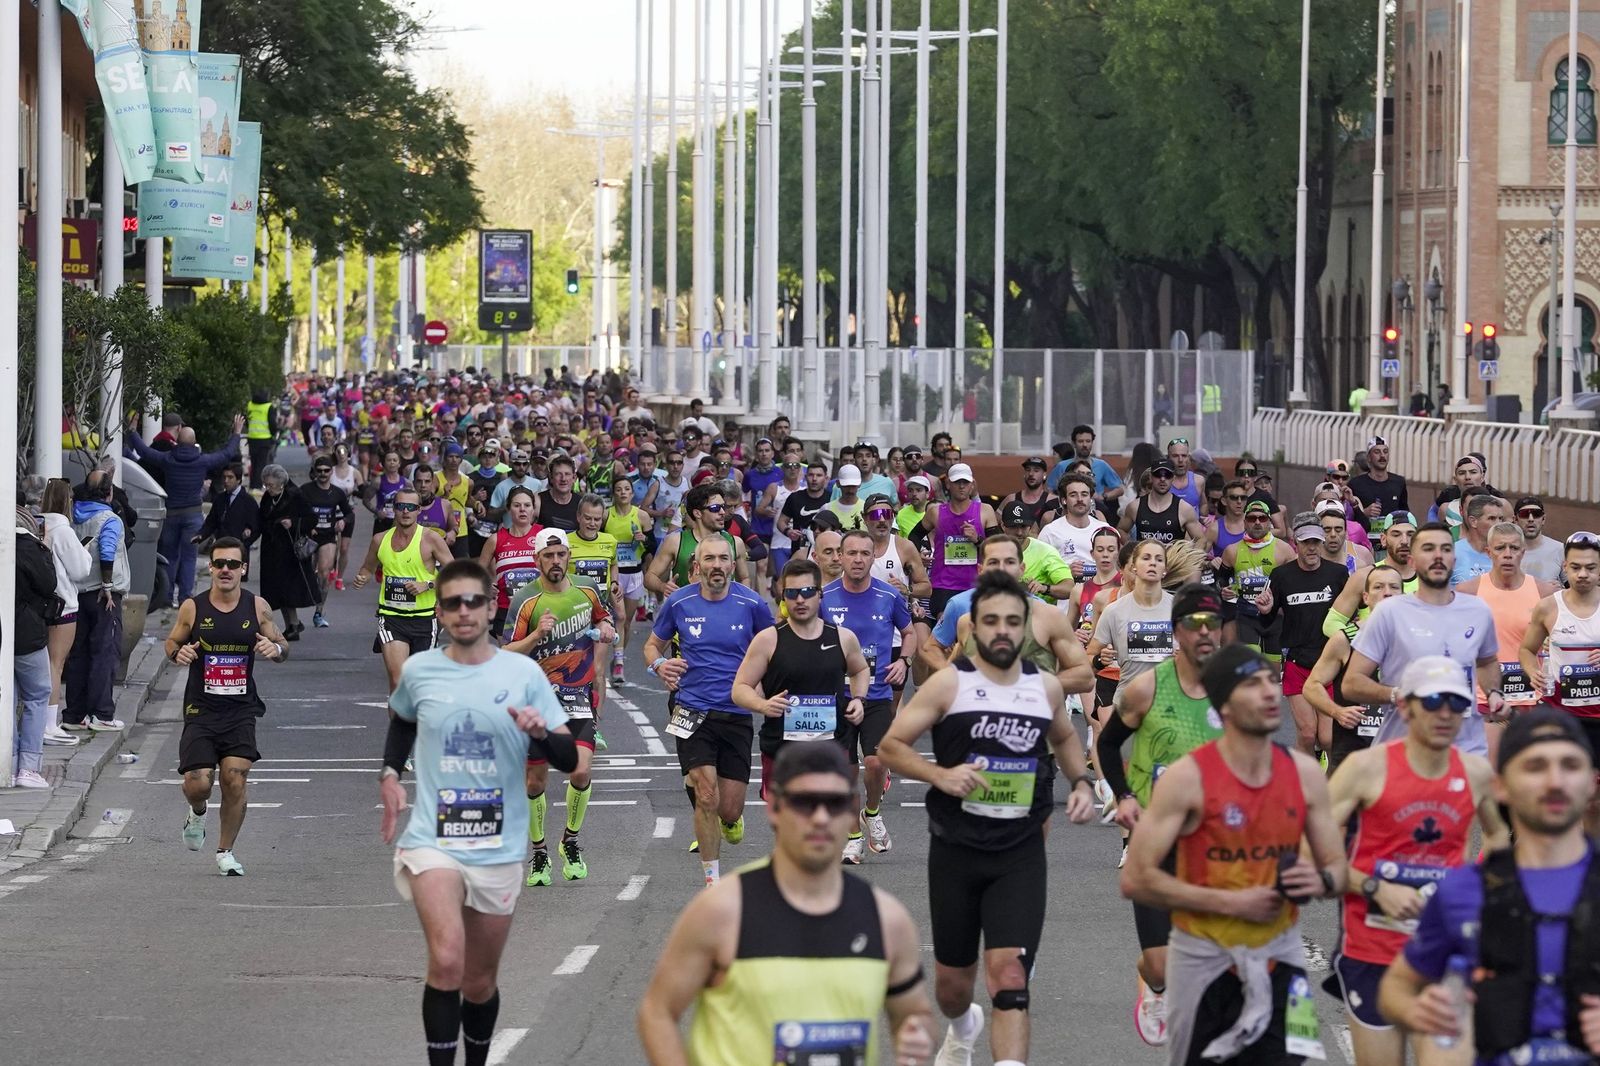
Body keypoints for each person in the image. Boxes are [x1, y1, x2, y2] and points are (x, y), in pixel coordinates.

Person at [878, 571, 1097, 1066]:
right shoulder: (950, 685)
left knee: (1010, 976)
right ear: (972, 628)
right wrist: (941, 776)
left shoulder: (1043, 687)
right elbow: (890, 746)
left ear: (1025, 630)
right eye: (991, 621)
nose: (1002, 630)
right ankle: (961, 1024)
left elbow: (1064, 738)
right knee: (953, 987)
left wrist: (1081, 781)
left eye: (1012, 622)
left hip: (1019, 852)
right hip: (956, 850)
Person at [379, 558, 578, 1066]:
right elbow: (401, 721)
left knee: (479, 980)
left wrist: (539, 733)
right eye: (452, 603)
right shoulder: (421, 669)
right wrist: (389, 776)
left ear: (492, 608)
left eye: (474, 601)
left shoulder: (523, 673)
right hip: (433, 839)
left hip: (499, 844)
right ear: (440, 613)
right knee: (446, 960)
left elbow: (568, 758)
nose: (464, 612)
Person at [636, 742, 934, 1066]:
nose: (820, 818)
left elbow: (913, 1016)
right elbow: (657, 1012)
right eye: (805, 803)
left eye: (833, 803)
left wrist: (915, 1038)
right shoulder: (722, 912)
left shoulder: (886, 920)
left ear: (850, 812)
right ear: (774, 807)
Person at [1120, 643, 1346, 1066]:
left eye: (1269, 682)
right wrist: (1228, 901)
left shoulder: (1304, 774)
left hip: (1281, 959)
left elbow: (1335, 868)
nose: (1268, 693)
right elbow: (1135, 877)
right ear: (1223, 704)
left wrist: (1319, 880)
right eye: (1251, 684)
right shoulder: (1187, 779)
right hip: (1202, 962)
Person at [1377, 708, 1600, 1064]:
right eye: (1535, 766)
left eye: (1570, 765)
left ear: (1592, 782)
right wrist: (1417, 1011)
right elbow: (1396, 987)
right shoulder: (1460, 890)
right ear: (1500, 787)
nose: (1555, 781)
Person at [1324, 656, 1507, 1066]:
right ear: (1405, 707)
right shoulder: (1364, 768)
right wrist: (1373, 887)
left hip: (1443, 950)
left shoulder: (1475, 773)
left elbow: (1498, 836)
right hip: (1372, 949)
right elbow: (1312, 852)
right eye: (1434, 701)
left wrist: (1477, 886)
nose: (1446, 713)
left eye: (1457, 704)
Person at [1094, 584, 1226, 1047]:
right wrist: (1125, 796)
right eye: (1195, 623)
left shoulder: (1235, 691)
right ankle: (1151, 979)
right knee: (1160, 964)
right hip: (1155, 835)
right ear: (1177, 632)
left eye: (1213, 623)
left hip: (1213, 841)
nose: (1205, 632)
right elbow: (1108, 745)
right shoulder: (1147, 688)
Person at [643, 535, 776, 885]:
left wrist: (767, 688)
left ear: (733, 564)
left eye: (723, 559)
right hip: (692, 709)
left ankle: (731, 820)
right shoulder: (678, 601)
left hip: (736, 712)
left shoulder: (752, 604)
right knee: (706, 794)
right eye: (709, 559)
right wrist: (659, 666)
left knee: (728, 808)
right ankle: (712, 881)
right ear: (697, 565)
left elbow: (773, 649)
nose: (716, 565)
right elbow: (652, 645)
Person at [164, 538, 289, 876]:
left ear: (243, 569)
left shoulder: (257, 606)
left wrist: (274, 650)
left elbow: (282, 645)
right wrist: (178, 653)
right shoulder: (193, 607)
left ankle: (225, 851)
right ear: (211, 567)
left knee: (234, 779)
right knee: (198, 784)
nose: (225, 570)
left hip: (240, 709)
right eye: (220, 563)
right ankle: (198, 812)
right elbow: (173, 640)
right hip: (201, 710)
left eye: (233, 564)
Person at [504, 530, 616, 887]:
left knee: (581, 772)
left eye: (560, 554)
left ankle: (570, 841)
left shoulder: (586, 589)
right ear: (537, 560)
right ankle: (539, 853)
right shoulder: (525, 600)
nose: (555, 561)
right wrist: (537, 636)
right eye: (548, 555)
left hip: (577, 697)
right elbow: (505, 653)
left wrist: (607, 628)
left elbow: (602, 617)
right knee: (535, 781)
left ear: (569, 556)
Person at [1344, 522, 1504, 757]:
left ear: (1454, 559)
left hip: (1467, 750)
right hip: (1405, 750)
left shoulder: (1478, 610)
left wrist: (1493, 694)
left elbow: (1487, 661)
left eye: (1446, 549)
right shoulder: (1389, 612)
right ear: (1412, 561)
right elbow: (1351, 684)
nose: (1438, 556)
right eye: (1428, 549)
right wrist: (1396, 695)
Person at [732, 557, 872, 796]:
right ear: (782, 595)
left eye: (807, 592)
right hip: (782, 751)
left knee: (822, 825)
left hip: (830, 748)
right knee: (791, 826)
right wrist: (763, 704)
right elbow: (740, 688)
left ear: (820, 594)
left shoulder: (843, 637)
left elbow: (860, 669)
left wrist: (859, 698)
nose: (800, 599)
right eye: (792, 593)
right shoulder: (768, 640)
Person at [824, 530, 919, 863]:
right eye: (851, 553)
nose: (858, 559)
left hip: (876, 694)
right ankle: (852, 837)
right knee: (846, 772)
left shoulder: (888, 595)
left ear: (873, 557)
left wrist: (903, 661)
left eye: (865, 553)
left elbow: (909, 633)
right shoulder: (825, 596)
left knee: (877, 763)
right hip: (836, 696)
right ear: (840, 556)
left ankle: (872, 811)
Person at [1458, 522, 1559, 764]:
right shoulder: (1467, 592)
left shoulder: (1545, 592)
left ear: (1523, 552)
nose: (1507, 554)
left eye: (1514, 548)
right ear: (1487, 551)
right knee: (1486, 772)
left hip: (1531, 699)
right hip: (1484, 700)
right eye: (1500, 548)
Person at [126, 414, 245, 607]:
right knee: (190, 557)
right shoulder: (202, 461)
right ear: (194, 442)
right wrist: (236, 433)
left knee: (170, 555)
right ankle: (185, 598)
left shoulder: (168, 459)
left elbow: (144, 452)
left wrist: (132, 431)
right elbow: (227, 453)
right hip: (193, 516)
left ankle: (166, 596)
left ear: (177, 441)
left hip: (171, 514)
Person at [1255, 513, 1347, 758]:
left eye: (1316, 542)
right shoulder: (1281, 575)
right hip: (1297, 662)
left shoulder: (1338, 574)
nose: (1312, 548)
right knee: (1307, 734)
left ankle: (1327, 780)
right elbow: (1267, 620)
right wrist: (1265, 610)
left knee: (1327, 738)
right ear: (1296, 542)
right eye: (1306, 542)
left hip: (1329, 663)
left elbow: (1350, 615)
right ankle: (1299, 782)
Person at [1518, 531, 1600, 796]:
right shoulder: (1548, 608)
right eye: (1575, 567)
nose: (1583, 574)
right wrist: (1532, 671)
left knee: (1593, 798)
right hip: (1561, 713)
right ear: (1565, 567)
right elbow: (1527, 650)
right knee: (1560, 789)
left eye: (1590, 568)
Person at [1301, 566, 1406, 772]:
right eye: (1378, 587)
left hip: (1400, 753)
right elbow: (1311, 686)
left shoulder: (1415, 639)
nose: (1387, 592)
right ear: (1365, 597)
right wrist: (1337, 711)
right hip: (1353, 754)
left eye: (1394, 587)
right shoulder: (1344, 639)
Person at [353, 487, 456, 693]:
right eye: (401, 506)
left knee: (419, 684)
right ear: (394, 509)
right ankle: (399, 727)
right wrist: (362, 577)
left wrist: (427, 584)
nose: (405, 511)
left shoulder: (430, 539)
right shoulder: (380, 540)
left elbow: (456, 573)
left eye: (411, 507)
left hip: (425, 619)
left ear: (419, 510)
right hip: (391, 618)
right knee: (398, 682)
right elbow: (368, 567)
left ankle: (418, 725)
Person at [62, 470, 130, 732]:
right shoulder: (109, 519)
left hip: (76, 594)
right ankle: (102, 713)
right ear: (109, 492)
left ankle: (74, 715)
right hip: (103, 597)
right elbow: (107, 550)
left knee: (78, 654)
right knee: (105, 653)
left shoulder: (72, 517)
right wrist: (108, 586)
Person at [37, 478, 92, 747]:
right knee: (55, 665)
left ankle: (40, 721)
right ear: (68, 501)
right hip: (64, 605)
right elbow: (80, 570)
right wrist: (85, 552)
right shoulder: (64, 531)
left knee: (41, 663)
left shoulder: (38, 526)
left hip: (39, 604)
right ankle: (49, 724)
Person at [12, 494, 61, 788]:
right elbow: (48, 584)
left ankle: (11, 758)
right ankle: (28, 766)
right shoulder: (29, 548)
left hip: (9, 633)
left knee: (9, 698)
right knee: (36, 694)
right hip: (27, 635)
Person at [1216, 500, 1296, 655]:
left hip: (1275, 617)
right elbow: (1220, 581)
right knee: (1251, 662)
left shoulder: (1284, 550)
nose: (1257, 522)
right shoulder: (1232, 551)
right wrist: (1224, 590)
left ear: (1269, 522)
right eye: (1252, 519)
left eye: (1262, 518)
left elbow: (1295, 584)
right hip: (1246, 615)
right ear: (1245, 522)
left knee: (1272, 669)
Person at [921, 463, 997, 619]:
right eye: (957, 482)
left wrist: (978, 540)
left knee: (972, 634)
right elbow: (914, 536)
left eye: (965, 482)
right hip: (943, 584)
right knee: (946, 633)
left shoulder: (985, 511)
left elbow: (998, 549)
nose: (961, 486)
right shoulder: (935, 512)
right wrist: (919, 555)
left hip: (976, 584)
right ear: (948, 484)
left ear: (972, 485)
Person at [255, 465, 321, 641]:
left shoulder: (295, 495)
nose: (267, 488)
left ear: (281, 484)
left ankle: (293, 625)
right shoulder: (268, 497)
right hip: (271, 551)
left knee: (288, 591)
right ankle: (292, 624)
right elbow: (261, 519)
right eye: (266, 485)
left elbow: (311, 519)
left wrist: (293, 522)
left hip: (290, 552)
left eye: (270, 485)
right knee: (278, 591)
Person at [477, 485, 542, 641]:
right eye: (516, 505)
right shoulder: (495, 539)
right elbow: (476, 574)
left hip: (539, 609)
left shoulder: (543, 535)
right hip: (507, 611)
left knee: (539, 664)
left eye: (527, 505)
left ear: (533, 509)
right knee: (510, 662)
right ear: (508, 509)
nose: (522, 510)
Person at [603, 476, 651, 681]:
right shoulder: (606, 515)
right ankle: (619, 664)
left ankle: (618, 655)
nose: (623, 492)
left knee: (627, 622)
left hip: (634, 574)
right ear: (614, 493)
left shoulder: (641, 516)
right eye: (619, 489)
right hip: (614, 574)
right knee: (619, 618)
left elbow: (653, 547)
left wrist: (645, 539)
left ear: (632, 493)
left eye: (627, 489)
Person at [300, 456, 355, 629]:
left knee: (324, 573)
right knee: (306, 573)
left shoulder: (337, 493)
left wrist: (343, 521)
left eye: (326, 470)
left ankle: (319, 612)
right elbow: (295, 511)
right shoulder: (306, 490)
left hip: (328, 536)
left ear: (331, 472)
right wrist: (307, 526)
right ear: (314, 472)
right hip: (308, 537)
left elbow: (349, 513)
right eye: (319, 470)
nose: (323, 474)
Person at [1038, 473, 1115, 579]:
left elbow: (1118, 566)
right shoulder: (1050, 531)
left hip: (1101, 592)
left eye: (1084, 494)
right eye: (1073, 495)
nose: (1080, 499)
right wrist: (1065, 573)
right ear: (1063, 500)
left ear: (1091, 498)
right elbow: (1039, 571)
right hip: (1064, 592)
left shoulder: (1104, 529)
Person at [1118, 457, 1206, 545]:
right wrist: (1132, 551)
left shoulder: (1184, 509)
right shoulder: (1135, 507)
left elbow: (1201, 540)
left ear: (1173, 478)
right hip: (1144, 557)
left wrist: (1187, 558)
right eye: (1158, 474)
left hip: (1173, 558)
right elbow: (1120, 530)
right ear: (1151, 477)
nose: (1162, 479)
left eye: (1167, 475)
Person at [1048, 425, 1125, 520]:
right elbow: (1050, 490)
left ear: (1092, 443)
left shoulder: (1102, 465)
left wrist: (1103, 497)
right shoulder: (1061, 466)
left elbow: (1120, 489)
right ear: (1073, 443)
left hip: (1095, 510)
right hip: (1067, 511)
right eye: (1080, 441)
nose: (1085, 445)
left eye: (1088, 441)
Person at [1348, 435, 1410, 531]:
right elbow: (1348, 517)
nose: (1382, 456)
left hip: (1392, 537)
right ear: (1369, 457)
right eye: (1377, 452)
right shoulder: (1355, 484)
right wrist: (1364, 512)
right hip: (1365, 538)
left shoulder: (1399, 482)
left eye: (1385, 452)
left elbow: (1405, 513)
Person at [196, 462, 259, 552]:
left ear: (238, 479)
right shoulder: (220, 498)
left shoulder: (248, 501)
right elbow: (211, 522)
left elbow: (256, 527)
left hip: (238, 551)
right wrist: (201, 535)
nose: (226, 481)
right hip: (220, 547)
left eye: (230, 477)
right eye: (224, 477)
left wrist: (244, 544)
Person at [1450, 492, 1509, 586]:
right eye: (1492, 518)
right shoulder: (1452, 552)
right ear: (1473, 521)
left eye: (1501, 519)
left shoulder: (1507, 555)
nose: (1498, 524)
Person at [1513, 495, 1564, 583]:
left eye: (1536, 514)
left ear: (1543, 519)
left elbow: (1572, 588)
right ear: (1515, 520)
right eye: (1524, 514)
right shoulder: (1506, 549)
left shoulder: (1560, 549)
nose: (1531, 519)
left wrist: (1560, 589)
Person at [1001, 456, 1060, 530]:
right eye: (1028, 470)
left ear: (1044, 474)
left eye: (1036, 470)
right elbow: (996, 522)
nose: (1031, 474)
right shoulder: (1011, 498)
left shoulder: (1053, 500)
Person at [246, 387, 277, 488]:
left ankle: (252, 484)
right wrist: (273, 434)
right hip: (264, 439)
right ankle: (257, 486)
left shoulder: (250, 405)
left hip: (252, 438)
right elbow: (272, 423)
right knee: (261, 463)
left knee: (254, 463)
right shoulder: (268, 407)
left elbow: (247, 420)